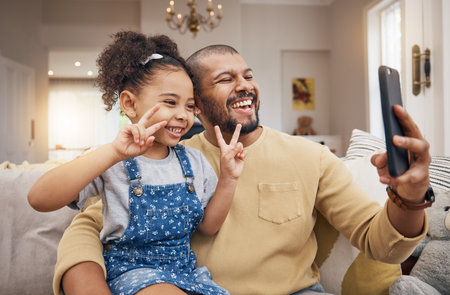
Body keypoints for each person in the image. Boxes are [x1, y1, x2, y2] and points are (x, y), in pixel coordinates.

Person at [52, 44, 432, 295]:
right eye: (226, 80)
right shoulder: (167, 160)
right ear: (195, 106)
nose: (244, 86)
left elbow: (381, 243)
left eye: (247, 76)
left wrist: (411, 198)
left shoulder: (311, 156)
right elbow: (90, 224)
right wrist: (85, 277)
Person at [28, 32, 248, 295]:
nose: (182, 114)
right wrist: (112, 153)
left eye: (190, 106)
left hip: (185, 274)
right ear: (130, 104)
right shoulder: (112, 161)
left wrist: (229, 178)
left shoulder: (194, 161)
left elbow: (208, 227)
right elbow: (38, 198)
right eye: (170, 102)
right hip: (131, 275)